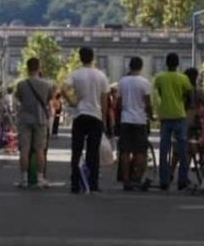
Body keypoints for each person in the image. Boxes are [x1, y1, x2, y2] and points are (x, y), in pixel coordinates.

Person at [63, 47, 109, 194]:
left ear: (80, 58)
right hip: (95, 115)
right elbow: (104, 99)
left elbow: (63, 89)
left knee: (76, 150)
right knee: (93, 151)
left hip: (80, 114)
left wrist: (72, 102)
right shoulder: (101, 76)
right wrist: (104, 117)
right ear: (92, 58)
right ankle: (92, 183)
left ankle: (75, 183)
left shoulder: (75, 74)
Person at [153, 53, 192, 191]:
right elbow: (189, 95)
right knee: (182, 150)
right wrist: (183, 106)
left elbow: (159, 93)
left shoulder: (159, 78)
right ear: (178, 64)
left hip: (165, 115)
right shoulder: (183, 78)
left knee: (164, 150)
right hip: (180, 115)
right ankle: (182, 179)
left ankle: (164, 180)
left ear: (166, 63)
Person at [14, 57, 53, 188]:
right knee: (40, 150)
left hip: (25, 119)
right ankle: (40, 178)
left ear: (27, 68)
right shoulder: (46, 84)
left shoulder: (21, 84)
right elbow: (48, 100)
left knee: (24, 150)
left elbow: (19, 99)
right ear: (38, 67)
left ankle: (24, 179)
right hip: (40, 119)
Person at [117, 56, 153, 191]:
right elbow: (148, 103)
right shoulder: (145, 83)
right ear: (141, 67)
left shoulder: (122, 82)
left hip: (125, 119)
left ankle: (126, 180)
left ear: (129, 66)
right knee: (139, 151)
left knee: (125, 151)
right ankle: (136, 177)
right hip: (140, 120)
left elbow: (119, 102)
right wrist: (151, 115)